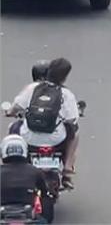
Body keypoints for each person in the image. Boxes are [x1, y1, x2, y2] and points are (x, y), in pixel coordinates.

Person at [8, 58, 80, 189]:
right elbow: (72, 120)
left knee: (13, 129)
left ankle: (11, 167)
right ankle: (68, 169)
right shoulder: (66, 94)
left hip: (29, 137)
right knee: (75, 132)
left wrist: (10, 112)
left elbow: (15, 108)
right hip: (56, 140)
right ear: (64, 77)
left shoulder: (32, 88)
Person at [0, 135, 48, 209]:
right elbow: (44, 191)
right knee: (43, 220)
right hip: (27, 205)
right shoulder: (35, 170)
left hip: (3, 206)